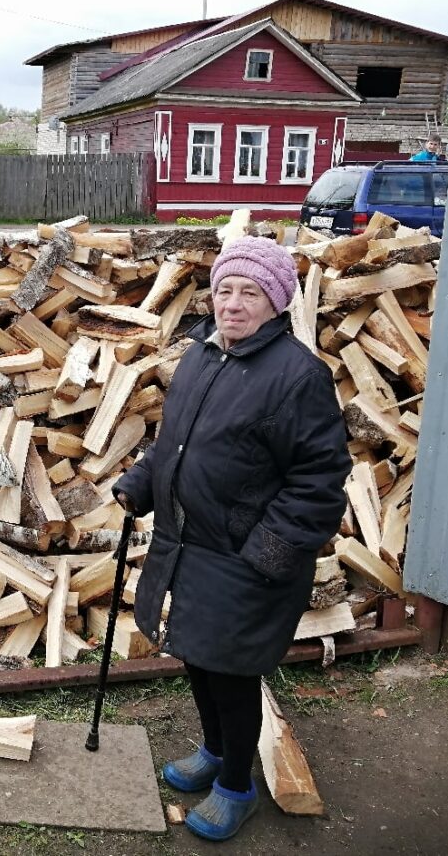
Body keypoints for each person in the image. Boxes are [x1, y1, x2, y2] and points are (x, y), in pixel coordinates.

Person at [113, 235, 351, 842]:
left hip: (246, 557)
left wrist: (267, 552)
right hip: (187, 545)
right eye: (225, 290)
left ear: (275, 302)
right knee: (196, 653)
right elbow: (177, 442)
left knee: (232, 673)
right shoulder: (202, 355)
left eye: (250, 293)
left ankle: (236, 786)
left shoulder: (299, 377)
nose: (234, 304)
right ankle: (217, 749)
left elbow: (319, 481)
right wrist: (142, 481)